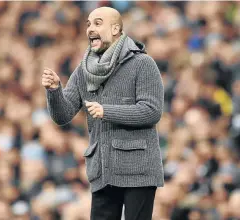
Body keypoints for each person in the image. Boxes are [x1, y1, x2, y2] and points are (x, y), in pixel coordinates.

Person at [42, 6, 164, 220]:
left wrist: (107, 111)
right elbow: (63, 115)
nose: (90, 28)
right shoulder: (83, 70)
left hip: (139, 171)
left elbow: (151, 111)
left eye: (98, 23)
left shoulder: (143, 63)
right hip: (102, 171)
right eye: (88, 23)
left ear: (116, 29)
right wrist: (54, 92)